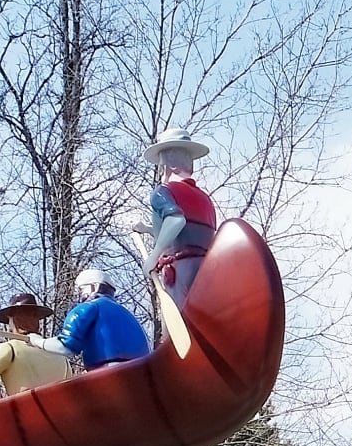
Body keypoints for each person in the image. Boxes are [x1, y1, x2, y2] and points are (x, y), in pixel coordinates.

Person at [142, 129, 217, 303]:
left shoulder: (163, 192)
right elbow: (186, 235)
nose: (161, 171)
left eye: (161, 166)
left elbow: (176, 221)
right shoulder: (205, 199)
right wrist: (147, 230)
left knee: (178, 326)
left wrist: (153, 257)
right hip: (207, 273)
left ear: (170, 166)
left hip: (180, 273)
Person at [28, 269, 151, 370]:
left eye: (81, 289)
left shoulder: (88, 308)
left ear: (94, 287)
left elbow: (66, 346)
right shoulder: (125, 312)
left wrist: (38, 342)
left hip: (110, 373)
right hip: (142, 371)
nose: (78, 295)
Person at [0, 292, 70, 399]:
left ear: (13, 320)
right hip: (61, 414)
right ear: (37, 320)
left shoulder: (7, 350)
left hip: (27, 413)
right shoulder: (59, 353)